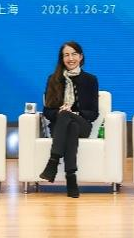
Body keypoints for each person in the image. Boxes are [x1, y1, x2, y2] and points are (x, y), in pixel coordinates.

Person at [39, 41, 99, 198]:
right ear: (62, 58)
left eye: (74, 54)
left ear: (81, 57)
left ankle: (53, 161)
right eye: (66, 55)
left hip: (83, 124)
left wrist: (73, 112)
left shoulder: (90, 80)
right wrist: (60, 112)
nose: (70, 58)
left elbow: (93, 113)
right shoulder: (53, 79)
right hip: (60, 125)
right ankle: (71, 178)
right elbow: (47, 111)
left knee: (69, 117)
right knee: (70, 126)